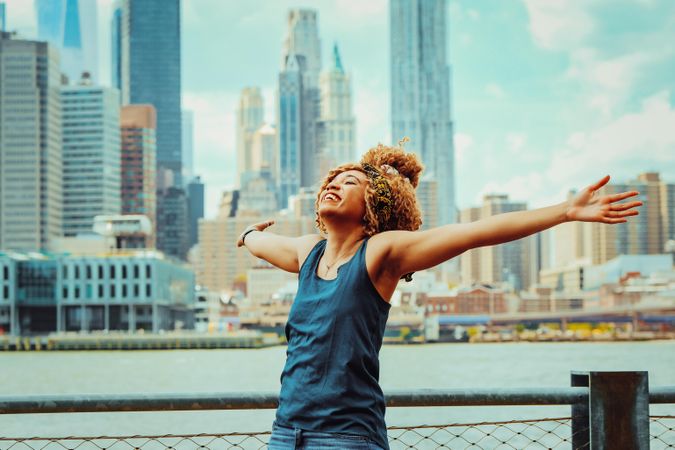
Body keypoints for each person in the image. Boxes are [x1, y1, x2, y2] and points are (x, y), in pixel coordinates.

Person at [236, 141, 642, 450]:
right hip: (287, 433)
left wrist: (565, 212)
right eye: (333, 181)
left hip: (346, 437)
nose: (334, 186)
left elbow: (472, 233)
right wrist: (249, 234)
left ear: (373, 206)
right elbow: (260, 244)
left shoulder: (381, 253)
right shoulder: (308, 252)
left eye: (350, 183)